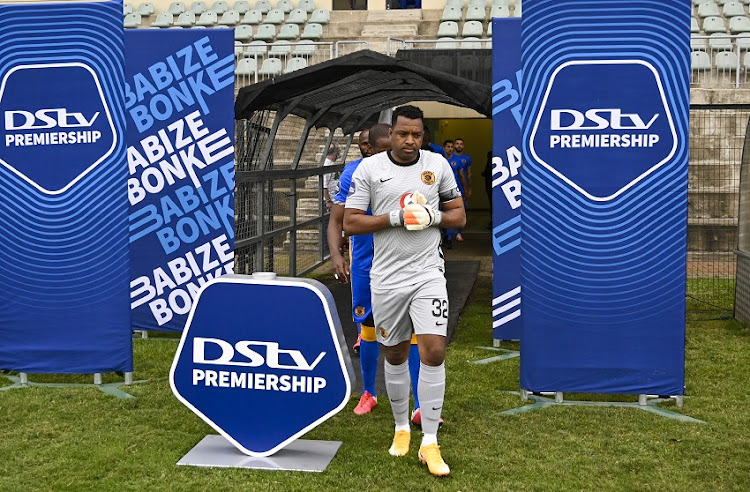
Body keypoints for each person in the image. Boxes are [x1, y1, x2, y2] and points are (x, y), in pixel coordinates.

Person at [344, 105, 466, 477]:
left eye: (416, 134)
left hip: (428, 273)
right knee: (395, 353)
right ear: (391, 133)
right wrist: (395, 217)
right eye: (403, 133)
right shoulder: (370, 169)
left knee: (433, 350)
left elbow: (459, 214)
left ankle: (429, 441)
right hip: (386, 277)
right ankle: (400, 429)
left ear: (423, 134)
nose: (410, 140)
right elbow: (350, 221)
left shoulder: (437, 165)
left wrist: (435, 217)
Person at [328, 125, 422, 416]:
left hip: (405, 262)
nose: (382, 156)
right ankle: (369, 393)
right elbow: (336, 220)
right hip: (366, 265)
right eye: (377, 150)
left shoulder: (416, 169)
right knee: (367, 328)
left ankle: (419, 402)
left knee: (415, 330)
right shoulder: (355, 173)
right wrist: (335, 255)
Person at [443, 139, 466, 249]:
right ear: (444, 148)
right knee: (443, 213)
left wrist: (466, 189)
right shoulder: (440, 160)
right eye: (448, 146)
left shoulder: (457, 161)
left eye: (451, 147)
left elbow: (462, 177)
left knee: (452, 212)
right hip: (442, 190)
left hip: (455, 190)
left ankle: (450, 237)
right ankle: (445, 235)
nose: (450, 149)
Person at [322, 143, 340, 209]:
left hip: (335, 199)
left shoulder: (332, 163)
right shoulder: (327, 165)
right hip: (329, 201)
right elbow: (324, 185)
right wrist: (328, 201)